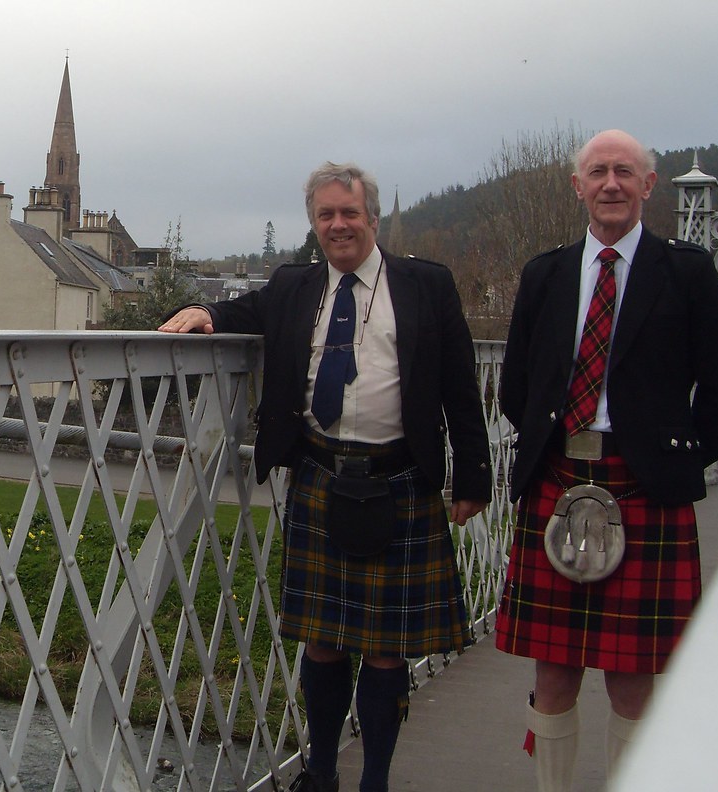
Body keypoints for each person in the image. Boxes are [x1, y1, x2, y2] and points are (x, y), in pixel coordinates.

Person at [160, 162, 491, 792]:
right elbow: (243, 308)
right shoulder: (293, 285)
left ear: (370, 216)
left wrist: (472, 473)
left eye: (349, 213)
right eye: (325, 215)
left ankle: (376, 780)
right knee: (321, 642)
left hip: (400, 480)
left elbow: (459, 383)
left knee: (388, 648)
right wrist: (204, 311)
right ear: (313, 222)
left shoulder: (425, 285)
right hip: (320, 473)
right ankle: (319, 770)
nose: (338, 225)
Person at [495, 129, 718, 791]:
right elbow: (518, 387)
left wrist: (679, 462)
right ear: (578, 186)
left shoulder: (687, 273)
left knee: (633, 683)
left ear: (648, 186)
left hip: (645, 489)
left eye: (625, 173)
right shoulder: (546, 273)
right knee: (551, 674)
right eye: (598, 172)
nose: (611, 183)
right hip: (559, 478)